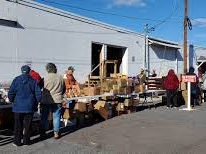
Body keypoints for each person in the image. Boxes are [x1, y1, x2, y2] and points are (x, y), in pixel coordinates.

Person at [8, 65, 42, 146]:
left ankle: (17, 142)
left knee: (17, 125)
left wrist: (12, 100)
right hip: (29, 106)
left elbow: (11, 93)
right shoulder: (33, 81)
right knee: (28, 124)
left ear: (21, 71)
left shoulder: (16, 80)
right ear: (29, 71)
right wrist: (38, 101)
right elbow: (38, 94)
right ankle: (26, 141)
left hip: (18, 107)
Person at [40, 63, 65, 139]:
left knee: (44, 116)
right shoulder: (60, 77)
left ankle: (43, 132)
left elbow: (39, 88)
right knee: (56, 116)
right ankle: (56, 133)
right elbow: (64, 89)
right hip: (57, 99)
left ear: (47, 69)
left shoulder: (44, 78)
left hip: (46, 100)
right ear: (55, 69)